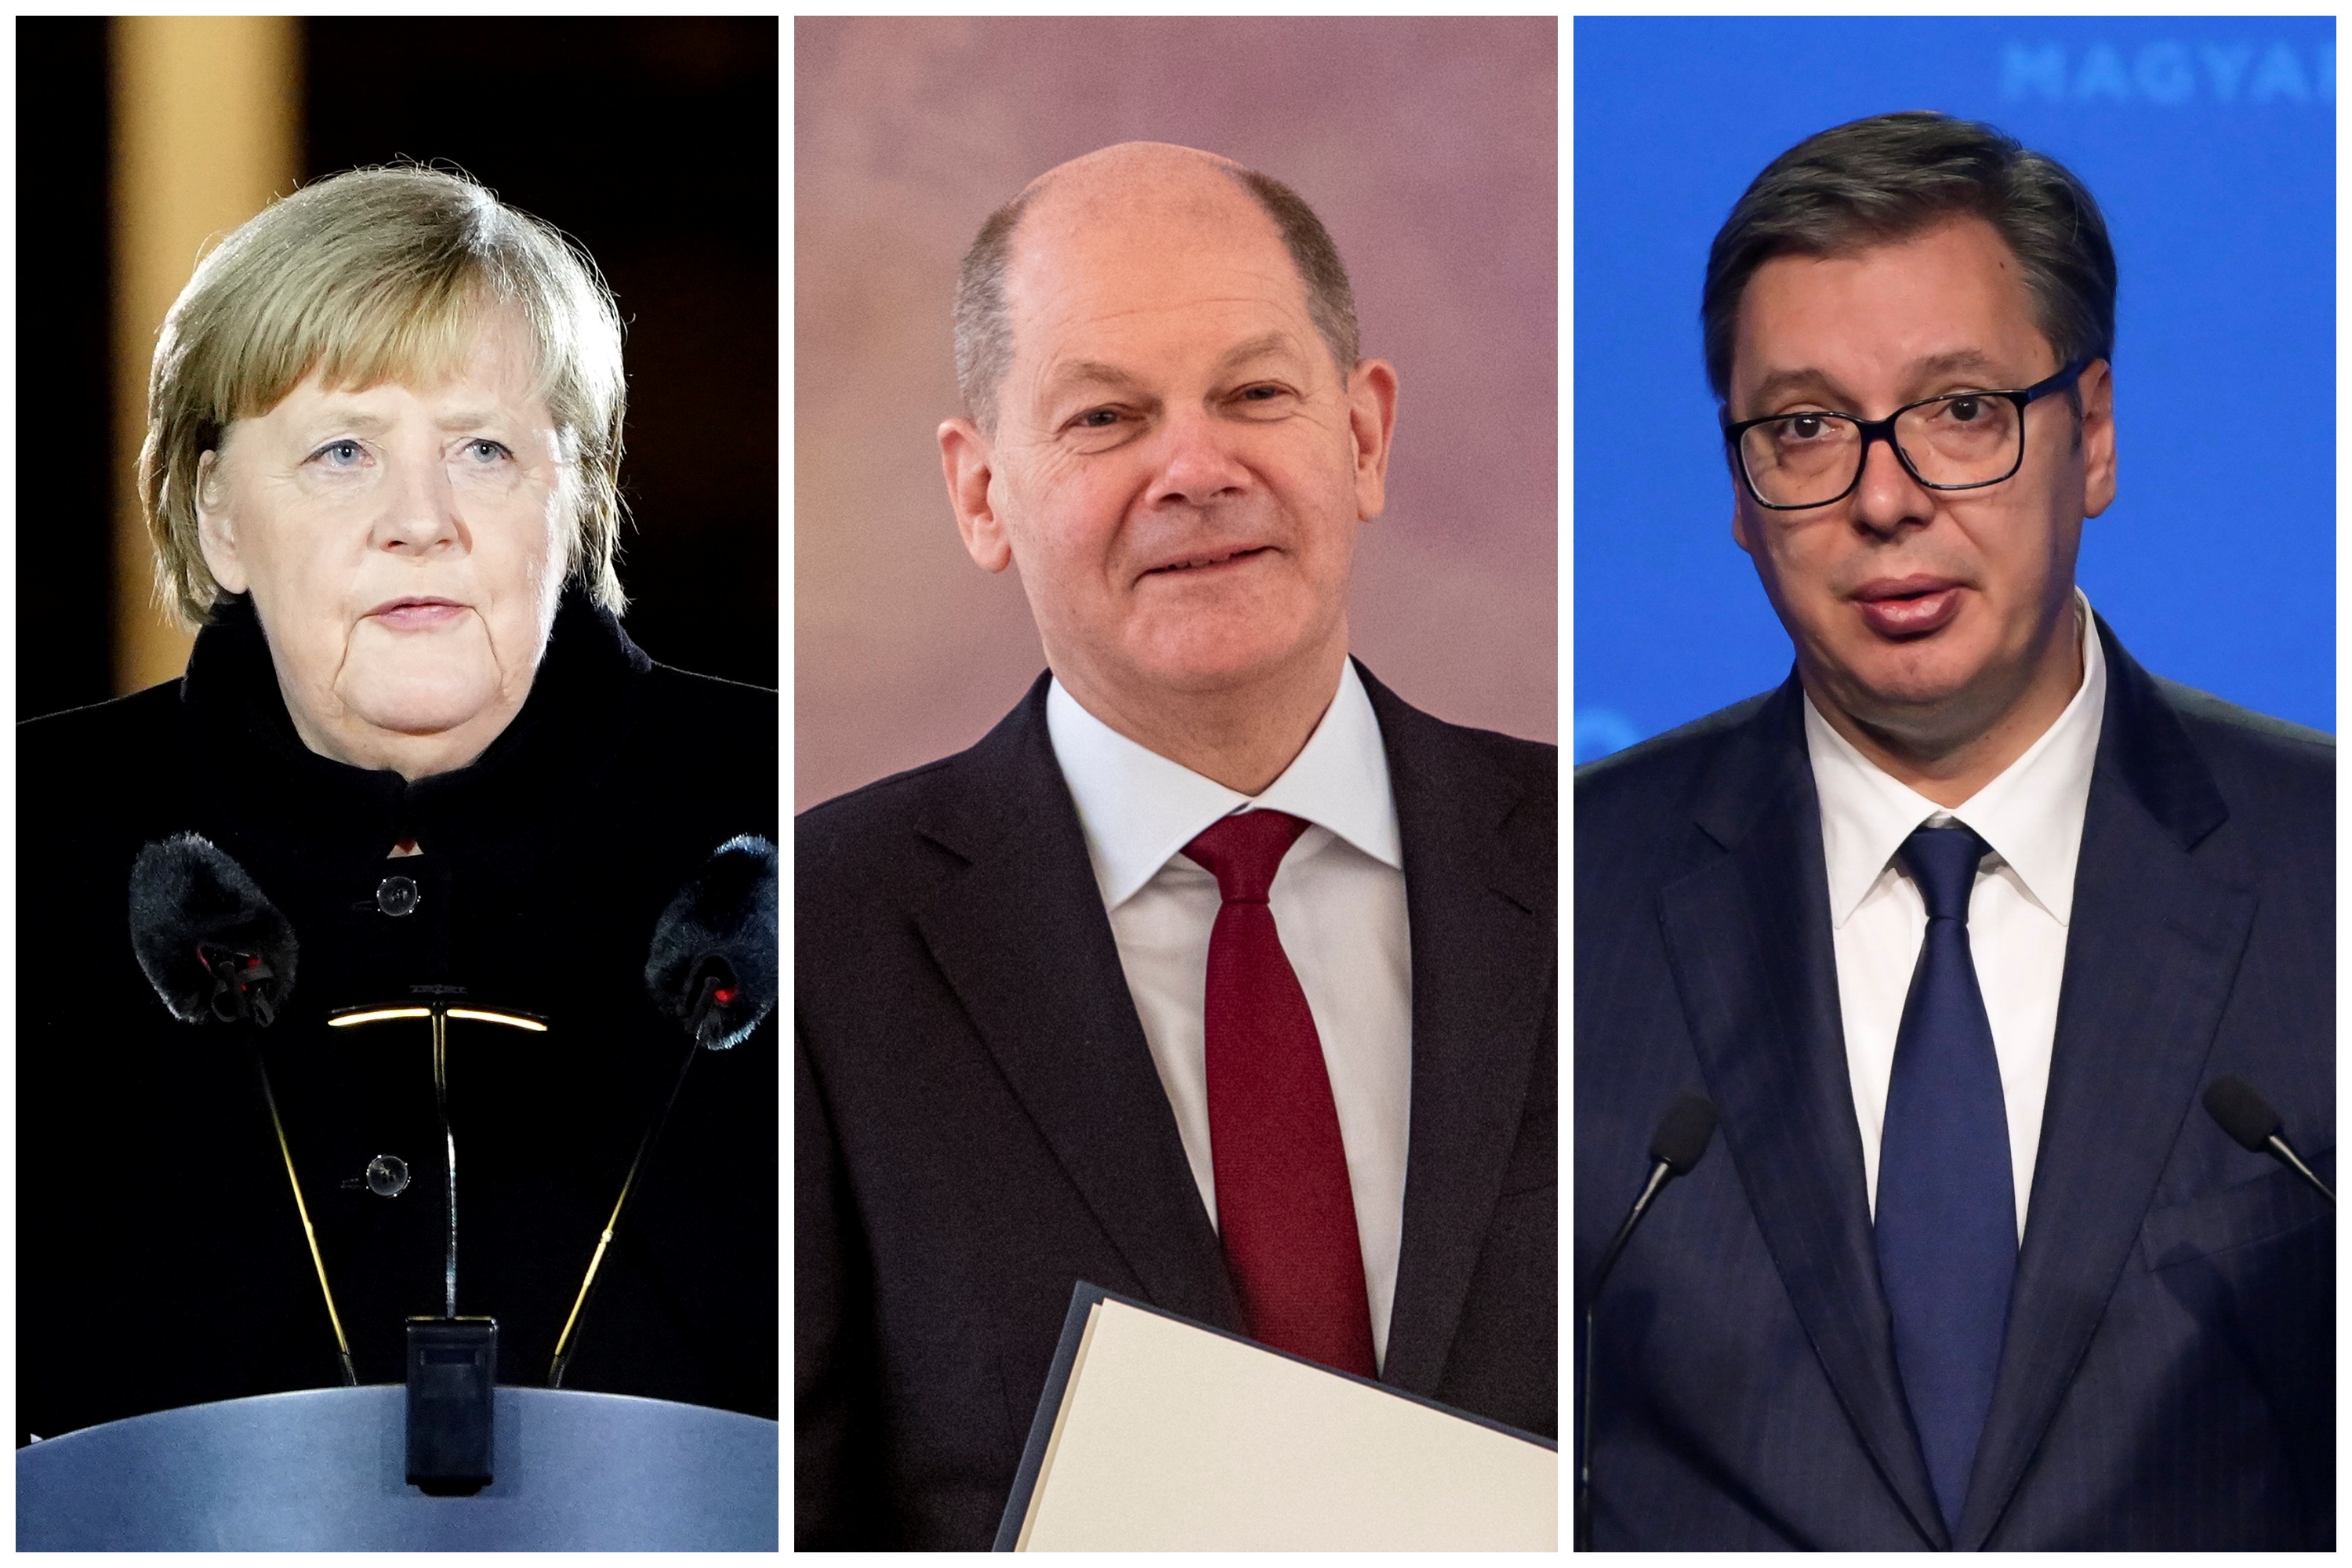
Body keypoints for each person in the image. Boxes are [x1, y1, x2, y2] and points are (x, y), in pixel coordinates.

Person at [1574, 111, 2332, 1550]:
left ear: (2092, 434)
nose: (1885, 497)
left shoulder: (2328, 876)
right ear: (1740, 491)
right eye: (1804, 429)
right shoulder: (1566, 899)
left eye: (1962, 411)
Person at [796, 141, 1555, 1549]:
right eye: (1106, 418)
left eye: (1256, 394)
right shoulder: (823, 944)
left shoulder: (1619, 879)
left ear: (1365, 435)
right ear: (981, 495)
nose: (1196, 468)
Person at [18, 166, 779, 1443]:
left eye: (484, 450)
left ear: (573, 496)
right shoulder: (32, 831)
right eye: (342, 451)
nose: (418, 521)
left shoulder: (801, 798)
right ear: (217, 516)